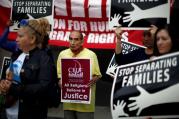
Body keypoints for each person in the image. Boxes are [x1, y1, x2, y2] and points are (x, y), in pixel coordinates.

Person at [0, 18, 54, 119]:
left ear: (32, 39)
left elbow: (44, 88)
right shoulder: (16, 55)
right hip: (9, 113)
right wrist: (3, 83)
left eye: (20, 36)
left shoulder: (44, 59)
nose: (16, 39)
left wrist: (12, 88)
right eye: (17, 36)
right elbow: (8, 77)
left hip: (31, 113)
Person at [57, 31, 102, 119]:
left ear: (82, 41)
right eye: (71, 39)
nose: (73, 42)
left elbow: (98, 75)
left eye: (76, 39)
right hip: (68, 103)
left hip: (85, 105)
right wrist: (60, 81)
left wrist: (94, 79)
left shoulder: (91, 55)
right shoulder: (62, 54)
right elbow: (59, 75)